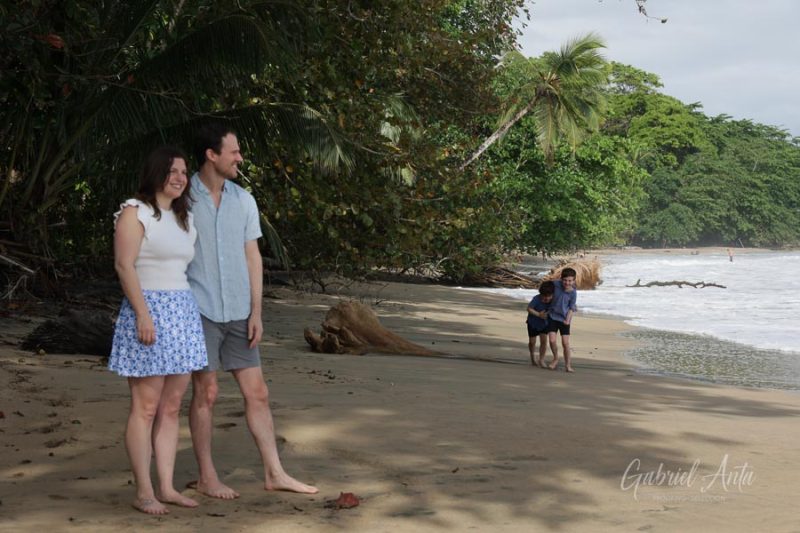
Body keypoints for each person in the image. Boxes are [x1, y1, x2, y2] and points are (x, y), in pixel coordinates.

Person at [186, 122, 318, 499]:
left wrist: (257, 312)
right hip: (200, 310)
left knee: (257, 393)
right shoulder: (184, 198)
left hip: (240, 312)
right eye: (234, 152)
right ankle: (207, 476)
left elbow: (252, 257)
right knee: (206, 393)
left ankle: (275, 472)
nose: (240, 158)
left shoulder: (244, 200)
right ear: (212, 155)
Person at [108, 146, 209, 515]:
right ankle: (144, 490)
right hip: (148, 310)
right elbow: (124, 265)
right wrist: (143, 315)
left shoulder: (185, 218)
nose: (181, 178)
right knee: (146, 407)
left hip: (182, 312)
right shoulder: (135, 212)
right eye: (173, 171)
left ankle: (166, 486)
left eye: (184, 172)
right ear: (156, 173)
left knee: (170, 408)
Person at [546, 267, 578, 372]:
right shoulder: (555, 284)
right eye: (565, 280)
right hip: (552, 316)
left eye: (570, 281)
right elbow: (545, 288)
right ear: (561, 278)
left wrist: (568, 320)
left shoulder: (573, 293)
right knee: (552, 340)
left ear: (574, 281)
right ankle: (555, 358)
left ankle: (568, 365)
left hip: (565, 319)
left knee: (565, 343)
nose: (567, 283)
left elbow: (572, 307)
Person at [526, 281, 555, 367]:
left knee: (543, 341)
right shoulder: (536, 299)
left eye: (549, 296)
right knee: (532, 342)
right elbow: (529, 309)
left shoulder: (553, 300)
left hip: (544, 323)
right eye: (544, 296)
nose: (546, 299)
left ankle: (541, 359)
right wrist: (539, 314)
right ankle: (532, 356)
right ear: (540, 294)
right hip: (533, 322)